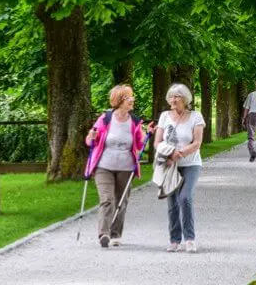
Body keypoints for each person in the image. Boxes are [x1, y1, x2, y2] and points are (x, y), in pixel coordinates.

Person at [85, 85, 153, 249]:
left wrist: (148, 134)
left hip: (126, 167)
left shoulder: (135, 121)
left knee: (121, 201)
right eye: (129, 97)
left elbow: (139, 143)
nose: (132, 100)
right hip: (104, 166)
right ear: (120, 100)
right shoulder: (105, 118)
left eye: (131, 97)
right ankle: (104, 234)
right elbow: (90, 141)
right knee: (107, 199)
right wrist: (92, 136)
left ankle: (116, 234)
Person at [153, 84, 205, 253]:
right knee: (172, 202)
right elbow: (157, 141)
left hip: (191, 164)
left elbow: (197, 143)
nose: (173, 100)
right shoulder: (164, 116)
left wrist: (180, 153)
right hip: (170, 164)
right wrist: (168, 154)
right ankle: (175, 240)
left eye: (177, 97)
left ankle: (189, 239)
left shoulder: (195, 117)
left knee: (185, 197)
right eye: (171, 97)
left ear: (185, 99)